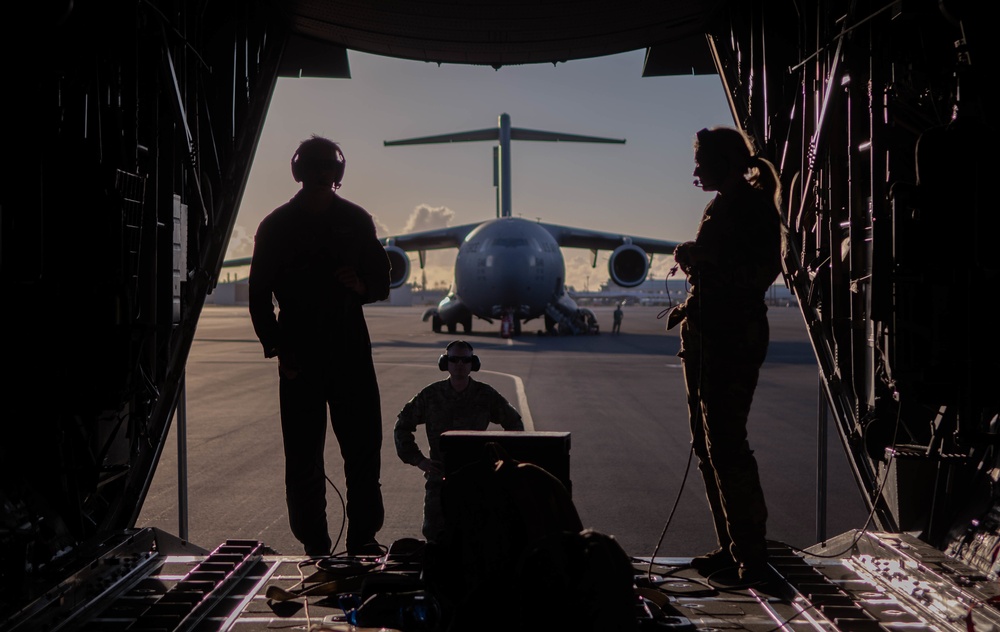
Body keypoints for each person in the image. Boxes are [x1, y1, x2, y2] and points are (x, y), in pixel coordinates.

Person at [248, 135, 391, 557]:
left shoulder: (357, 221)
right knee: (303, 463)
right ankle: (316, 546)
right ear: (300, 170)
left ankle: (363, 540)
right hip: (300, 358)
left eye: (327, 165)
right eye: (314, 165)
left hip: (350, 352)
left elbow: (381, 281)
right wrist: (277, 349)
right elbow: (258, 296)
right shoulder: (275, 226)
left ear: (337, 171)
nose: (321, 173)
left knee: (364, 453)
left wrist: (361, 285)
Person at [668, 126, 784, 583]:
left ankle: (750, 556)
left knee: (727, 445)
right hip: (707, 334)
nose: (696, 170)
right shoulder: (722, 206)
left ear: (723, 162)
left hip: (732, 338)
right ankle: (732, 547)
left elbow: (760, 273)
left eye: (702, 161)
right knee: (707, 444)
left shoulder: (753, 208)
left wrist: (704, 261)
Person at [393, 340, 524, 543]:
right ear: (445, 363)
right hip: (440, 480)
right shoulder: (431, 395)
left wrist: (500, 462)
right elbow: (402, 426)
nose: (460, 364)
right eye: (454, 359)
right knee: (436, 538)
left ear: (474, 364)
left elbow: (514, 424)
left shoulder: (485, 395)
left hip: (477, 478)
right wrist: (419, 460)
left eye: (466, 360)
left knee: (477, 536)